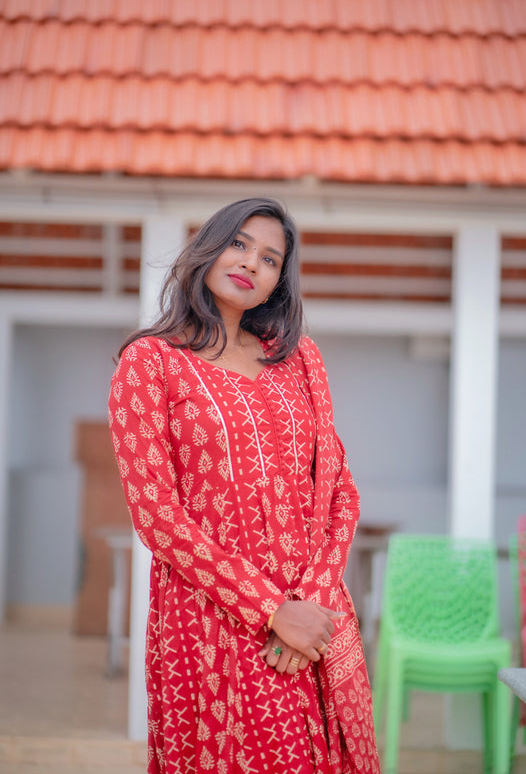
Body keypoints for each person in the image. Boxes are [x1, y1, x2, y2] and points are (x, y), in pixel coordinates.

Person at [108, 197, 380, 774]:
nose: (251, 262)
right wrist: (272, 610)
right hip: (210, 620)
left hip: (313, 618)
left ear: (279, 281)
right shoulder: (151, 363)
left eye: (270, 259)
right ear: (209, 247)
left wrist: (308, 607)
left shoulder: (299, 360)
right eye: (239, 244)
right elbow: (156, 515)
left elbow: (340, 493)